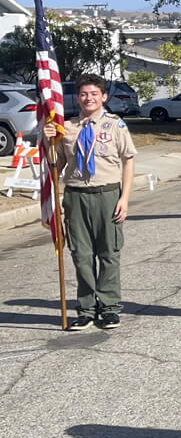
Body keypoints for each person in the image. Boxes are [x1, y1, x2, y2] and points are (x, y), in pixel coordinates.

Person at [44, 73, 136, 330]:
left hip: (107, 194)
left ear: (104, 97)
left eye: (94, 94)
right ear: (78, 97)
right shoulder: (69, 128)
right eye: (84, 94)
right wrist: (48, 138)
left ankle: (109, 307)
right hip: (76, 196)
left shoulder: (115, 126)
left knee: (109, 253)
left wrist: (124, 198)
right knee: (81, 255)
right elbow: (58, 163)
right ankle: (85, 309)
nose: (89, 98)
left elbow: (128, 161)